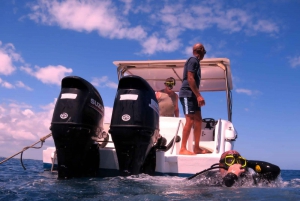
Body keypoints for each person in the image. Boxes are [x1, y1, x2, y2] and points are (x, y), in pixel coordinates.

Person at [179, 43, 207, 155]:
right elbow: (190, 78)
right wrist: (199, 95)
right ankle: (182, 149)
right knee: (190, 120)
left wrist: (197, 96)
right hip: (187, 94)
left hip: (193, 95)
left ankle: (197, 148)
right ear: (201, 51)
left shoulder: (196, 62)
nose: (205, 53)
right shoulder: (193, 60)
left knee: (198, 120)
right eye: (204, 51)